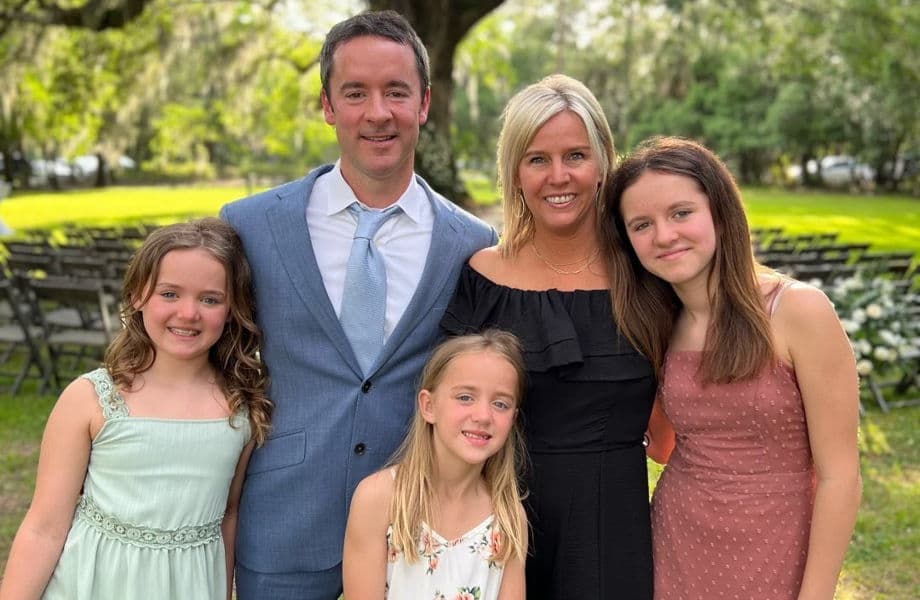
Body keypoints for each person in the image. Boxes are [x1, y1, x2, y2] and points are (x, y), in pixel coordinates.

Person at [219, 10, 496, 598]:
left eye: (396, 91)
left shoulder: (471, 244)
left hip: (417, 532)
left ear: (423, 102)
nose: (378, 113)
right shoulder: (252, 225)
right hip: (285, 524)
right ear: (327, 105)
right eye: (355, 93)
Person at [602, 136, 861, 600]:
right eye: (641, 225)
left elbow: (840, 476)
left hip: (776, 545)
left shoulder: (798, 311)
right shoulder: (658, 324)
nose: (664, 235)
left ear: (719, 212)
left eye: (681, 213)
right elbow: (663, 448)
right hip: (676, 541)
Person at [440, 74, 656, 599]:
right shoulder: (482, 277)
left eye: (575, 155)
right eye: (537, 159)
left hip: (612, 529)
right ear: (514, 173)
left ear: (603, 163)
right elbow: (444, 412)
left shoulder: (647, 274)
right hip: (496, 523)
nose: (559, 176)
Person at [0, 218, 271, 600]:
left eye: (210, 299)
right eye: (169, 294)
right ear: (137, 296)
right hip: (92, 584)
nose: (188, 313)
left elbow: (228, 515)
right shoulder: (90, 398)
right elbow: (44, 527)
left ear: (231, 310)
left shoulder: (240, 407)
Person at [343, 330, 528, 600]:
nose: (483, 416)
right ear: (428, 406)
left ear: (513, 418)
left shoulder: (508, 516)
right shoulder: (379, 498)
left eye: (500, 404)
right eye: (465, 397)